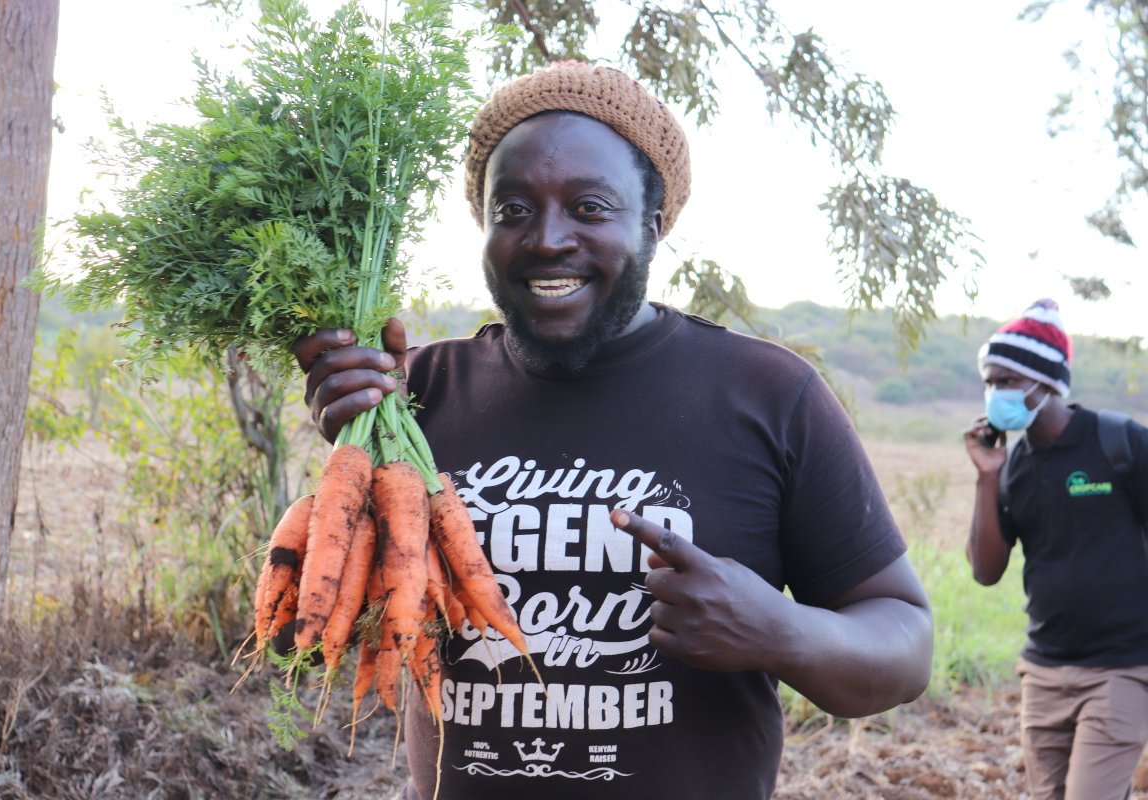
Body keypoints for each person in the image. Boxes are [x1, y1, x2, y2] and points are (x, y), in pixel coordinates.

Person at [294, 61, 933, 800]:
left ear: (654, 223)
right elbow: (337, 624)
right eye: (513, 210)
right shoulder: (419, 395)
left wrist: (779, 630)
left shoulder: (767, 394)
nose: (547, 239)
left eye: (590, 207)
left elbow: (905, 643)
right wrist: (355, 455)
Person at [963, 298, 1148, 800]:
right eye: (991, 381)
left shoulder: (1120, 443)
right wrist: (987, 477)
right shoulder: (1012, 466)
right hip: (1043, 672)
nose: (995, 392)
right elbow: (985, 570)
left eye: (1007, 381)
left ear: (1044, 384)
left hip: (1121, 670)